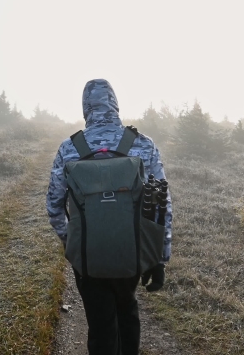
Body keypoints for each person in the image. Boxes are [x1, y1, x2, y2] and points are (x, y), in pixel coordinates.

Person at [46, 79, 173, 355]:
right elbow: (162, 204)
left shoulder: (69, 148)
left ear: (85, 108)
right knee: (127, 307)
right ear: (115, 104)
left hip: (88, 260)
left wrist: (73, 243)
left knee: (100, 322)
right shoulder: (143, 144)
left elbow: (54, 205)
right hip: (131, 252)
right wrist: (159, 257)